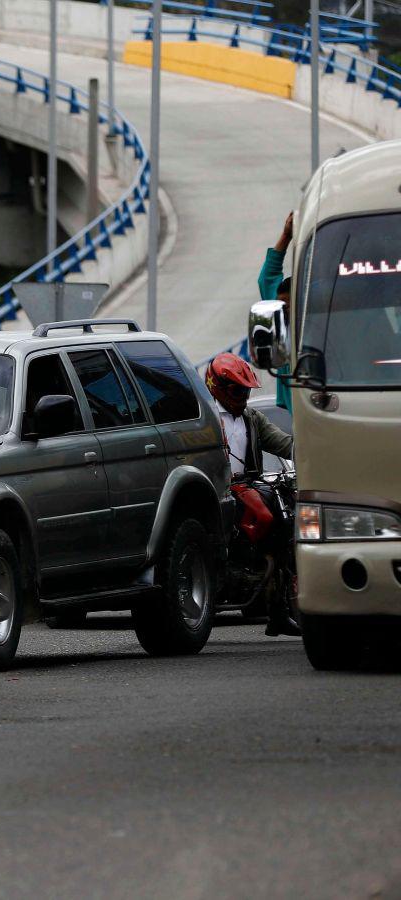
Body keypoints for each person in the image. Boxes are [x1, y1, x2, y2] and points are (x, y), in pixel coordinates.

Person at [205, 352, 300, 637]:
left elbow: (284, 444)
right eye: (238, 390)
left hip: (248, 488)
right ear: (218, 387)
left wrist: (317, 451)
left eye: (246, 390)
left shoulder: (252, 418)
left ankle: (278, 613)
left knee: (280, 531)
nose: (244, 396)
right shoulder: (206, 421)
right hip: (214, 494)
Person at [257, 212, 294, 413]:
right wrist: (286, 236)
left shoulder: (318, 323)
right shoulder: (280, 323)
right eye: (281, 307)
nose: (284, 312)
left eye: (289, 307)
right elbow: (267, 278)